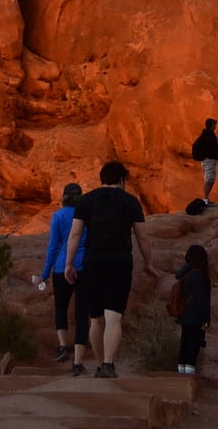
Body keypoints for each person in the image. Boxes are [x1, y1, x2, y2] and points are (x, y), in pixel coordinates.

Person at [63, 159, 154, 378]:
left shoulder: (86, 201)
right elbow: (142, 236)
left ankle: (99, 363)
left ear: (102, 179)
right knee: (113, 317)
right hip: (120, 261)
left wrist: (68, 263)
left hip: (93, 262)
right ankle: (108, 364)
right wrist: (149, 262)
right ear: (122, 180)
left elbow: (75, 234)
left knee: (95, 318)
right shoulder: (131, 202)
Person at [38, 182, 89, 362]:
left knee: (61, 308)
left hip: (61, 268)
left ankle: (62, 346)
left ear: (64, 197)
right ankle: (79, 359)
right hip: (84, 267)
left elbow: (53, 247)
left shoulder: (58, 216)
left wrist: (45, 273)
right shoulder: (87, 215)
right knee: (82, 313)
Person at [173, 244, 214, 375]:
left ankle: (181, 376)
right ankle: (188, 378)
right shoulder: (199, 276)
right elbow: (202, 300)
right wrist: (206, 319)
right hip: (195, 317)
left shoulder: (186, 274)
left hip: (185, 316)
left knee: (184, 345)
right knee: (193, 347)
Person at [190, 117, 218, 202]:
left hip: (206, 160)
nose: (216, 126)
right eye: (215, 124)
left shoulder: (206, 135)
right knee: (209, 180)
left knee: (210, 179)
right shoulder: (210, 135)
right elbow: (212, 150)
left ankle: (206, 199)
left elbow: (210, 148)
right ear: (212, 125)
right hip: (209, 160)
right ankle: (205, 200)